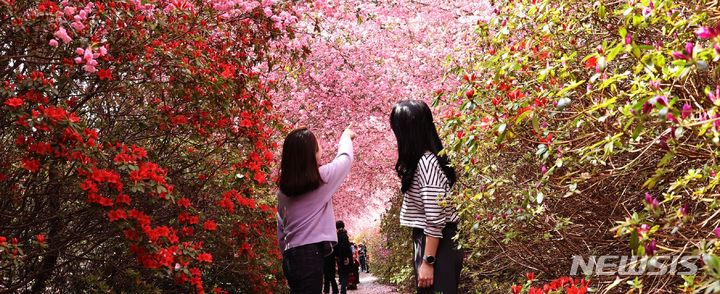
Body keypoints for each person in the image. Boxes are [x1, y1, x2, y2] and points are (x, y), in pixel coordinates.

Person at [390, 100, 463, 294]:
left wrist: (428, 261)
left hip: (438, 243)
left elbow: (435, 218)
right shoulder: (422, 161)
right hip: (432, 241)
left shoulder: (427, 164)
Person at [277, 126, 356, 294]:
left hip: (291, 255)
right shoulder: (320, 179)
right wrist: (346, 137)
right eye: (318, 147)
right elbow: (345, 159)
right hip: (309, 254)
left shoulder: (283, 190)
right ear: (310, 154)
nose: (322, 150)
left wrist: (286, 252)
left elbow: (281, 228)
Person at [335, 221, 353, 294]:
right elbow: (345, 247)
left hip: (339, 257)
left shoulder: (336, 235)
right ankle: (343, 291)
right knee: (345, 274)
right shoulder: (344, 235)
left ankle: (343, 290)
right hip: (345, 257)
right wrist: (346, 257)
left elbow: (335, 247)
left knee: (342, 274)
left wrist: (336, 256)